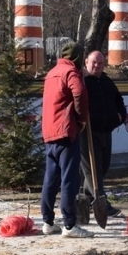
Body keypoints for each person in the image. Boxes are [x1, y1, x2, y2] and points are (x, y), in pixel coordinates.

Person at [39, 41, 94, 238]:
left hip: (50, 132)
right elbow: (78, 92)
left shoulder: (52, 72)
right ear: (78, 58)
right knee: (69, 179)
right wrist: (81, 119)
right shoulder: (71, 72)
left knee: (51, 179)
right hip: (66, 130)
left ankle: (47, 222)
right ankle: (70, 225)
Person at [78, 50, 127, 221]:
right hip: (88, 133)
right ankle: (102, 202)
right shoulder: (82, 82)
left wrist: (121, 116)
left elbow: (118, 101)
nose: (97, 66)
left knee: (102, 167)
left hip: (106, 131)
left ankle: (83, 199)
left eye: (100, 63)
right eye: (94, 62)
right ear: (86, 62)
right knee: (93, 170)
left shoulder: (106, 81)